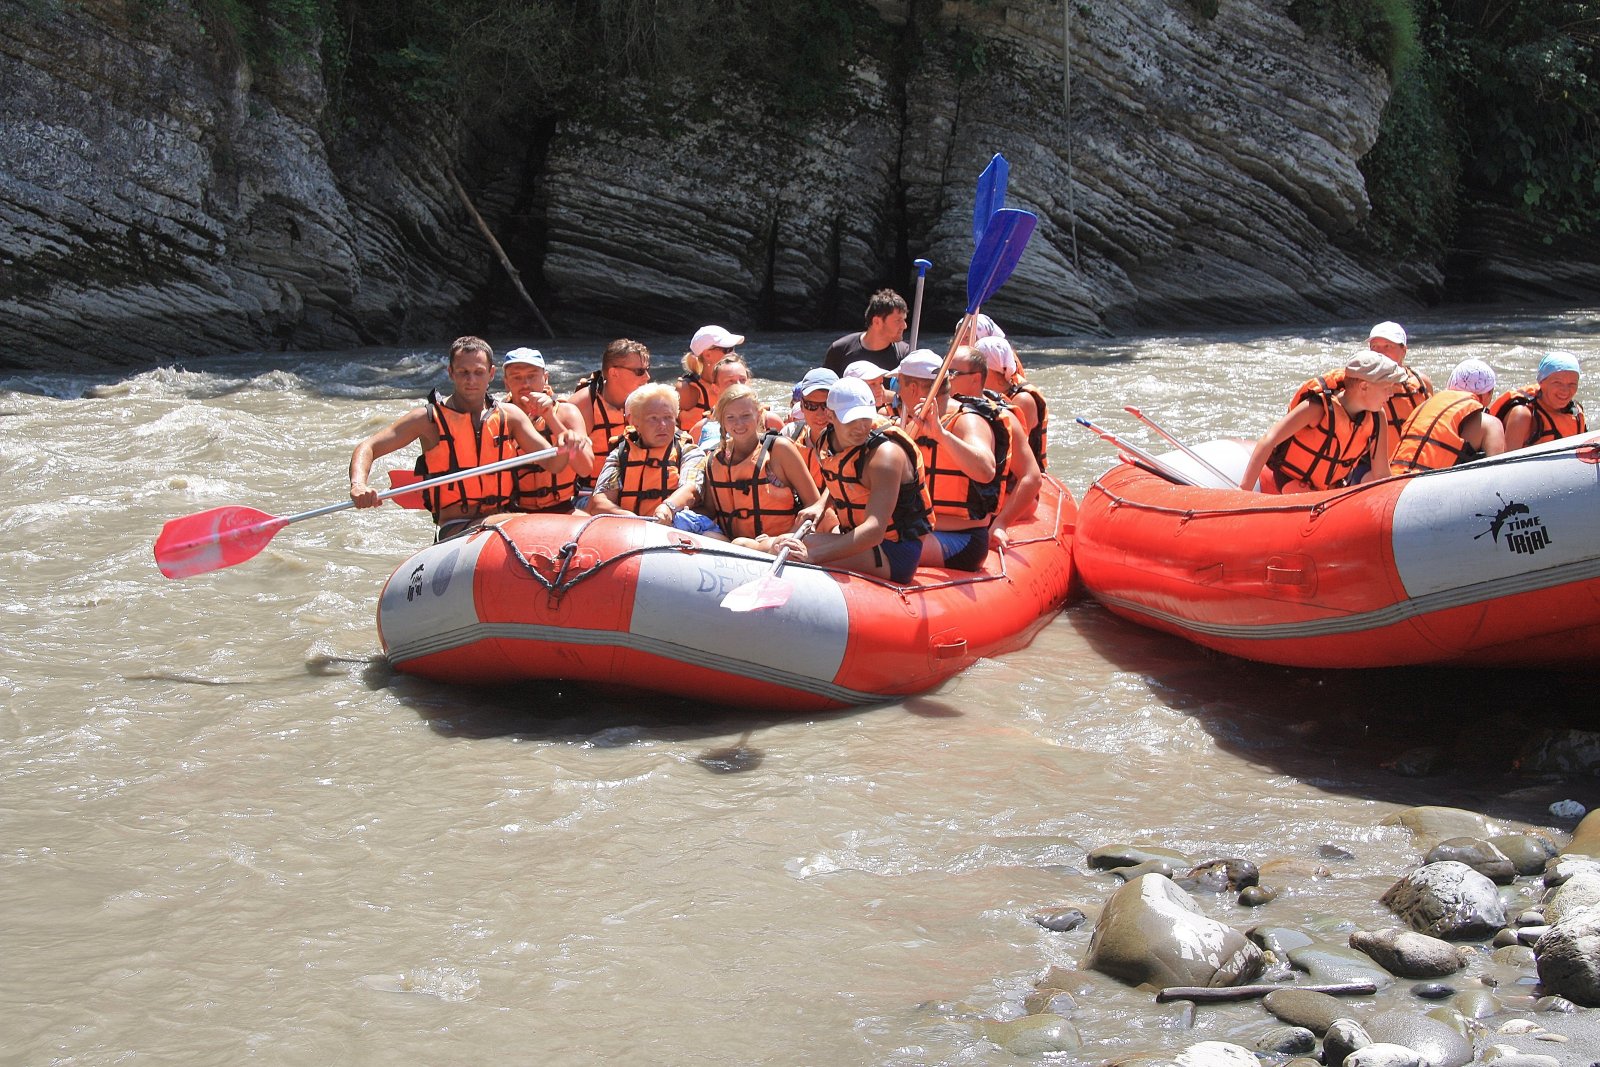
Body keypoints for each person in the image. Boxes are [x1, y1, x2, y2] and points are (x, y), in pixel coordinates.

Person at [347, 336, 580, 540]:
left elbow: (554, 464)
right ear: (451, 373)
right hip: (456, 528)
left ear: (491, 374)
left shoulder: (510, 416)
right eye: (463, 373)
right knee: (526, 524)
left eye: (478, 372)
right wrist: (358, 485)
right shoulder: (427, 419)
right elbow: (368, 447)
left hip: (505, 520)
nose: (471, 380)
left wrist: (564, 445)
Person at [772, 378, 933, 583]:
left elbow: (875, 530)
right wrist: (822, 504)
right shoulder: (826, 441)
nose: (860, 427)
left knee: (794, 549)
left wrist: (813, 558)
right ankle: (739, 548)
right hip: (858, 540)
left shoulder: (886, 455)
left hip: (894, 552)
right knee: (780, 543)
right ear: (830, 416)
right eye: (851, 420)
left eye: (865, 418)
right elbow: (843, 477)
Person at [895, 349, 1008, 571]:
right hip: (919, 528)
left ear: (912, 388)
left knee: (889, 548)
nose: (896, 392)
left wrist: (941, 435)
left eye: (898, 384)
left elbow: (986, 470)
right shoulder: (910, 422)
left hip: (962, 539)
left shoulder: (967, 421)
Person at [1239, 351, 1407, 494]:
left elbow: (1381, 475)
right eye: (1387, 388)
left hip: (1331, 488)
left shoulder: (1378, 417)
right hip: (1294, 481)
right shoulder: (1317, 408)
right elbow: (1269, 439)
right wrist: (1244, 492)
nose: (1391, 394)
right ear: (1364, 387)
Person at [697, 384, 821, 551]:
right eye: (730, 417)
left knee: (741, 543)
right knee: (712, 538)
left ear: (759, 415)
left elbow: (814, 504)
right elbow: (710, 511)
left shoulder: (779, 450)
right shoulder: (714, 460)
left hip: (780, 541)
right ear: (722, 421)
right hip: (733, 545)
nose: (738, 423)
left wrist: (788, 537)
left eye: (746, 415)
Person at [588, 383, 705, 524]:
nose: (662, 425)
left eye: (668, 417)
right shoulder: (620, 455)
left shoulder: (689, 451)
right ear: (636, 423)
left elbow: (692, 489)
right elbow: (599, 502)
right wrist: (628, 517)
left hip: (675, 528)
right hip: (630, 530)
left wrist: (668, 507)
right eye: (653, 418)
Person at [500, 348, 594, 513]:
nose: (526, 384)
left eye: (532, 376)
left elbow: (585, 469)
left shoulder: (567, 412)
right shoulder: (498, 417)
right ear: (506, 382)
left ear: (545, 378)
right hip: (513, 512)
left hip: (562, 507)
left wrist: (550, 417)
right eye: (517, 377)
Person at [1389, 358, 1506, 475]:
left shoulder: (1425, 405)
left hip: (1393, 481)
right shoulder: (1490, 423)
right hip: (1427, 486)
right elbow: (1497, 476)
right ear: (1488, 393)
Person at [567, 339, 652, 499]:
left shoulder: (649, 400)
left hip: (637, 491)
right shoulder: (583, 405)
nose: (647, 377)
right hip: (590, 494)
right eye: (640, 371)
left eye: (647, 369)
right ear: (614, 373)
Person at [975, 335, 1049, 470]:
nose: (975, 373)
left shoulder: (1022, 400)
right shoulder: (982, 395)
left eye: (979, 368)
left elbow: (1013, 450)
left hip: (1020, 474)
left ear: (995, 370)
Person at [1489, 352, 1587, 451]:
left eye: (1572, 384)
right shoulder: (1522, 415)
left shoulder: (1577, 413)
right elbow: (1506, 463)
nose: (1565, 390)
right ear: (1541, 382)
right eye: (1557, 382)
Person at [1365, 321, 1435, 438]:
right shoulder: (1360, 385)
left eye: (1388, 346)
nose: (1380, 353)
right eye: (1375, 346)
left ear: (1404, 350)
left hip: (1412, 453)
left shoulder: (1422, 383)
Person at [782, 367, 838, 506]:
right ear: (801, 406)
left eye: (826, 405)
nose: (820, 414)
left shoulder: (852, 440)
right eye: (811, 405)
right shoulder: (789, 435)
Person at [822, 289, 910, 374]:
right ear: (877, 321)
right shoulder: (840, 350)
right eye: (898, 321)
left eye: (904, 320)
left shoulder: (905, 355)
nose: (904, 326)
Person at [677, 324, 744, 432]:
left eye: (733, 348)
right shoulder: (688, 389)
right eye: (727, 349)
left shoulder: (740, 381)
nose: (733, 354)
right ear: (707, 354)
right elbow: (670, 425)